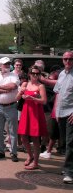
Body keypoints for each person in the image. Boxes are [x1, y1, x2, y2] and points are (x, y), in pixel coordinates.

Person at [0, 57, 20, 162]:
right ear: (0, 65)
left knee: (12, 131)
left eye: (8, 64)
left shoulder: (14, 75)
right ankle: (1, 151)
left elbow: (13, 85)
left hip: (11, 106)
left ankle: (13, 153)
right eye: (5, 64)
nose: (7, 66)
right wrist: (4, 89)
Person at [16, 65, 48, 170]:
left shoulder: (40, 86)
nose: (35, 75)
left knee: (35, 138)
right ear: (29, 74)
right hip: (26, 112)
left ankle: (36, 162)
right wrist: (21, 91)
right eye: (33, 73)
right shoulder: (25, 83)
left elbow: (44, 101)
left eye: (37, 74)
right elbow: (16, 98)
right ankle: (30, 155)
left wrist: (32, 98)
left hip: (36, 113)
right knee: (23, 137)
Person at [53, 51, 73, 184]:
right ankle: (68, 167)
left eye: (70, 59)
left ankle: (69, 172)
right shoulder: (61, 74)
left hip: (71, 113)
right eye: (65, 59)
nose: (67, 61)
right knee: (64, 143)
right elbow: (58, 93)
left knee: (71, 143)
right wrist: (56, 111)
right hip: (61, 113)